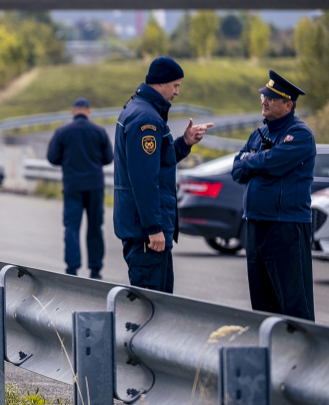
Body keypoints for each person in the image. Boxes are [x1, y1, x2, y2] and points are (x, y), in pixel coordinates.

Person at [113, 57, 213, 294]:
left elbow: (157, 163)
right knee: (152, 306)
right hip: (146, 232)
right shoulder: (146, 119)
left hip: (143, 228)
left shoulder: (141, 110)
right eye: (175, 85)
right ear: (160, 84)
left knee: (160, 304)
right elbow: (144, 179)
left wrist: (185, 142)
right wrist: (153, 227)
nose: (177, 92)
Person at [231, 71, 316, 321]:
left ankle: (302, 358)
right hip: (256, 226)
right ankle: (273, 355)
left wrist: (250, 160)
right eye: (264, 95)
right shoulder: (259, 135)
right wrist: (253, 161)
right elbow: (237, 170)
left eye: (271, 97)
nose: (264, 101)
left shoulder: (300, 134)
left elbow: (274, 162)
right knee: (263, 304)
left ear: (288, 104)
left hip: (285, 228)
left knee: (293, 305)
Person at [46, 98, 114, 279]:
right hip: (95, 186)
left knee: (71, 227)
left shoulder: (63, 131)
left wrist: (68, 162)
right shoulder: (99, 131)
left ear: (73, 111)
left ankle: (72, 268)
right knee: (95, 228)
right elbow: (109, 158)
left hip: (72, 186)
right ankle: (95, 269)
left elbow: (52, 157)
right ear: (88, 112)